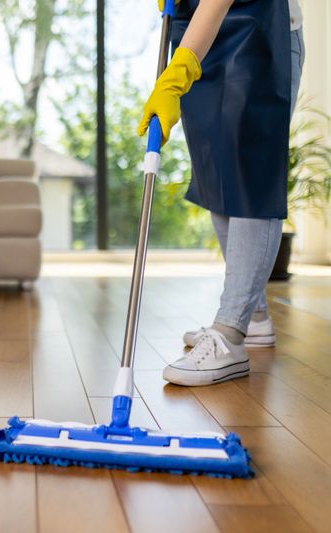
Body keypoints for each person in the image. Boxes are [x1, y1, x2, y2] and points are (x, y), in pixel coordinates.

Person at [137, 0, 304, 386]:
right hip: (197, 36)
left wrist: (178, 72)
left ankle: (231, 330)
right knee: (218, 175)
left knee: (250, 175)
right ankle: (255, 317)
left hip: (260, 33)